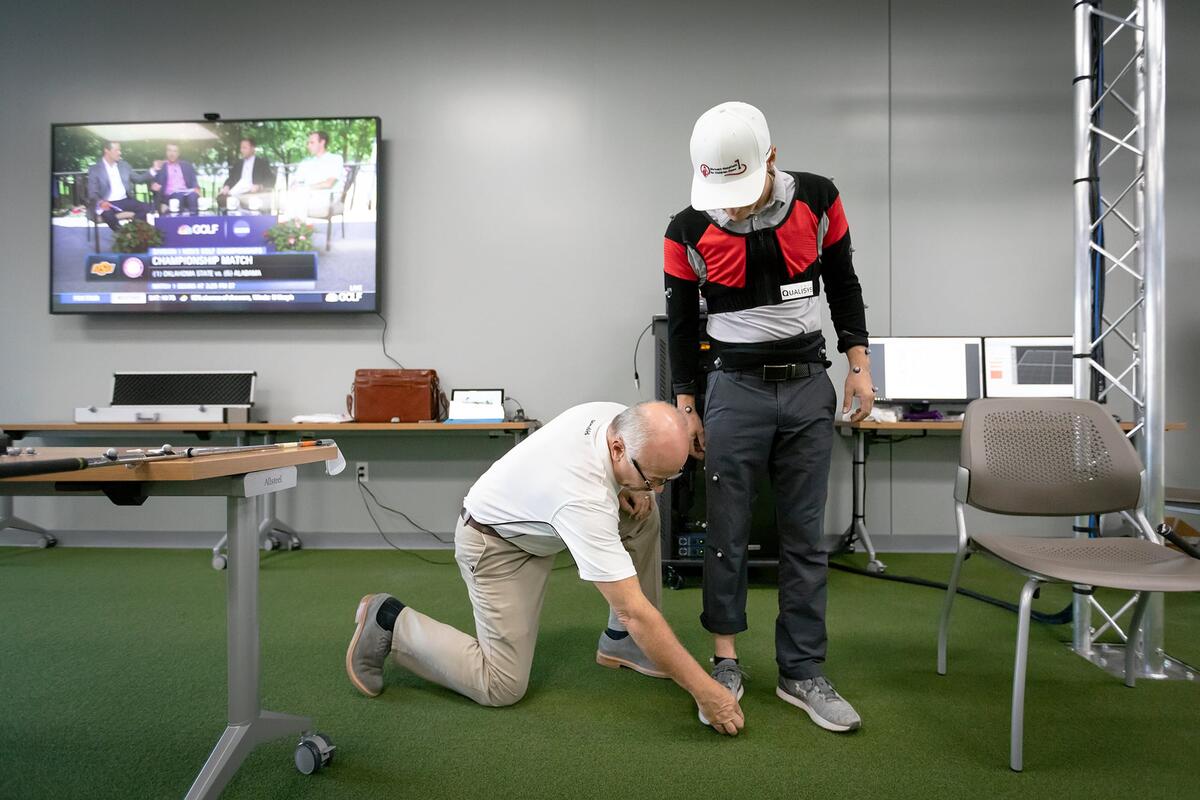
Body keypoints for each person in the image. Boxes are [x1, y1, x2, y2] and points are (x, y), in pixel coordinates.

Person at [345, 401, 746, 735]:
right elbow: (634, 610)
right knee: (501, 685)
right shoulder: (582, 496)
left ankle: (621, 642)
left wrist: (632, 487)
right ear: (619, 449)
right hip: (495, 546)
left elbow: (632, 481)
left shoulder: (619, 418)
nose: (657, 490)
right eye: (652, 479)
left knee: (644, 514)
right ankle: (390, 622)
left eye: (666, 479)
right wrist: (706, 692)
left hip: (540, 523)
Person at [663, 101, 875, 732]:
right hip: (734, 390)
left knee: (803, 535)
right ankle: (725, 660)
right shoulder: (685, 229)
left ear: (770, 160)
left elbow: (843, 281)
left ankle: (801, 671)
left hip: (810, 385)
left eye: (739, 187)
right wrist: (686, 407)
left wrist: (859, 365)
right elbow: (679, 324)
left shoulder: (817, 199)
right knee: (724, 530)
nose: (728, 205)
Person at [85, 141, 154, 230]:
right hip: (107, 203)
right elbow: (92, 192)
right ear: (107, 151)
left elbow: (138, 179)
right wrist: (101, 202)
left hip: (124, 200)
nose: (120, 153)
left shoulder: (124, 165)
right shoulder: (95, 169)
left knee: (145, 208)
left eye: (120, 150)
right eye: (116, 150)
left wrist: (153, 171)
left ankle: (137, 235)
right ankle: (122, 236)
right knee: (107, 214)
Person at [284, 130, 343, 219]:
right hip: (306, 196)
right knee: (293, 198)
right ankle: (296, 230)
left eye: (312, 143)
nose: (308, 146)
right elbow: (295, 182)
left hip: (327, 198)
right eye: (308, 143)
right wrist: (294, 186)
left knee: (298, 199)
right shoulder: (306, 162)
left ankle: (297, 230)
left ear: (322, 142)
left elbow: (329, 184)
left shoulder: (335, 159)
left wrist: (304, 188)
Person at [218, 136, 274, 213]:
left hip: (253, 191)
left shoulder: (261, 163)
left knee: (247, 199)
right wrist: (226, 186)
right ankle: (227, 220)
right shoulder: (238, 164)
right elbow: (231, 178)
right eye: (241, 148)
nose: (241, 150)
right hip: (237, 190)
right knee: (221, 198)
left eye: (244, 148)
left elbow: (271, 179)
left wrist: (259, 186)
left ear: (252, 148)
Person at [148, 143, 201, 214]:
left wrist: (196, 187)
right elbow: (152, 182)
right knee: (178, 196)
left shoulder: (186, 165)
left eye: (175, 151)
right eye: (169, 151)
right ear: (166, 152)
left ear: (178, 153)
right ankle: (179, 221)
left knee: (193, 196)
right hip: (168, 196)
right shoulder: (161, 166)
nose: (172, 154)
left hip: (186, 192)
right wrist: (153, 185)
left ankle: (194, 220)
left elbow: (193, 181)